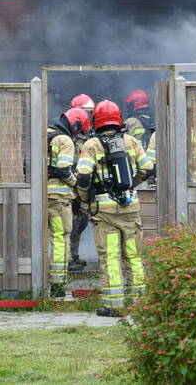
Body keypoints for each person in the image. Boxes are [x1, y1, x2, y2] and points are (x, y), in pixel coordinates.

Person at [76, 100, 155, 317]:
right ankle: (140, 304)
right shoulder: (131, 141)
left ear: (97, 121)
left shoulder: (92, 145)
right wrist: (132, 185)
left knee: (110, 256)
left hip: (105, 211)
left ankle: (114, 306)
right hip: (130, 208)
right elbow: (148, 169)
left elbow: (83, 175)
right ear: (119, 119)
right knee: (133, 255)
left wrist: (85, 198)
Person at [46, 107, 89, 297]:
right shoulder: (66, 141)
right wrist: (77, 187)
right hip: (58, 201)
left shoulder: (43, 135)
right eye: (79, 131)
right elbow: (63, 169)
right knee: (60, 238)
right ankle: (57, 284)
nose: (78, 134)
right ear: (76, 124)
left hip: (39, 198)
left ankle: (39, 281)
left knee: (41, 239)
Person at [68, 93, 96, 270]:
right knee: (70, 225)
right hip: (70, 188)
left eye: (90, 113)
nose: (89, 117)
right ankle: (69, 258)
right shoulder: (67, 137)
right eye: (86, 112)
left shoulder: (89, 136)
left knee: (82, 223)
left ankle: (75, 255)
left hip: (85, 188)